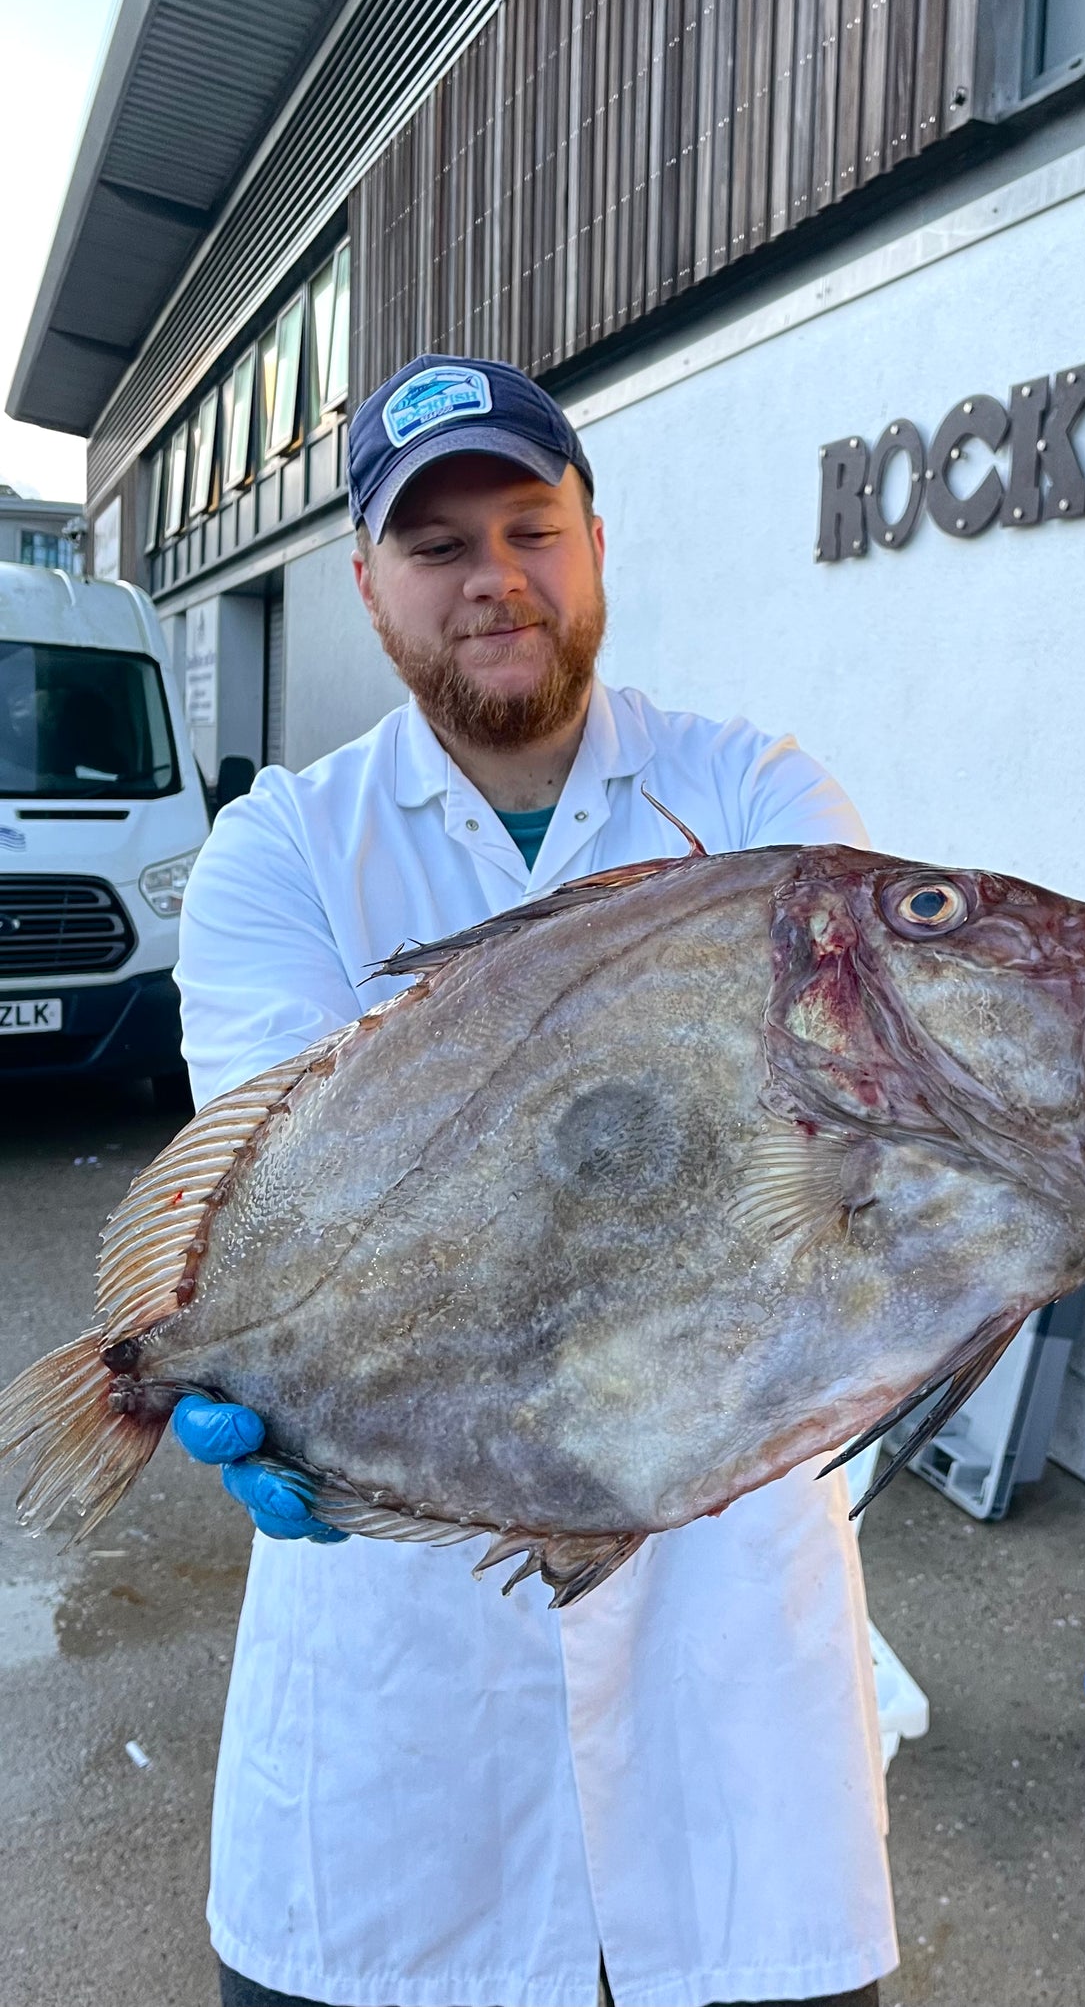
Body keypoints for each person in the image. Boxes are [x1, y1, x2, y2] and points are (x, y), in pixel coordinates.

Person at [173, 354, 898, 2007]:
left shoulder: (759, 803)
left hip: (725, 1680)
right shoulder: (282, 853)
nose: (493, 579)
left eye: (529, 525)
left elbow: (838, 1169)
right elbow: (305, 1208)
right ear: (367, 589)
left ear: (593, 541)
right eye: (435, 548)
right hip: (399, 1675)